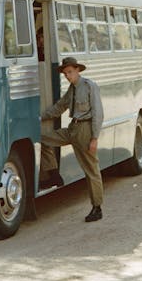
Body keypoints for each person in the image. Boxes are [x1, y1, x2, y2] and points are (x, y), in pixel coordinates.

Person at [39, 57, 104, 222]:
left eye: (70, 72)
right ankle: (54, 175)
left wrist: (94, 138)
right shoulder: (72, 89)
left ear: (77, 70)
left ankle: (97, 208)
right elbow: (59, 107)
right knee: (43, 139)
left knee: (91, 169)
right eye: (65, 73)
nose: (67, 76)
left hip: (85, 130)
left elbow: (98, 113)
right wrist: (39, 117)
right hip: (72, 129)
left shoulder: (89, 86)